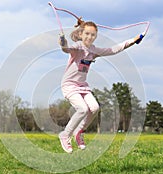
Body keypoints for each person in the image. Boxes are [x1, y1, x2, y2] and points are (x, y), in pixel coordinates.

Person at [58, 19, 144, 153]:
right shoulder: (78, 47)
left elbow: (114, 50)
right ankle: (65, 135)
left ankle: (79, 132)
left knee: (94, 108)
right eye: (87, 34)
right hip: (69, 85)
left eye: (93, 35)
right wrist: (62, 41)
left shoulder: (93, 50)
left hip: (82, 85)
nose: (89, 37)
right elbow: (66, 49)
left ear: (96, 36)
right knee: (82, 109)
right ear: (81, 34)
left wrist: (133, 40)